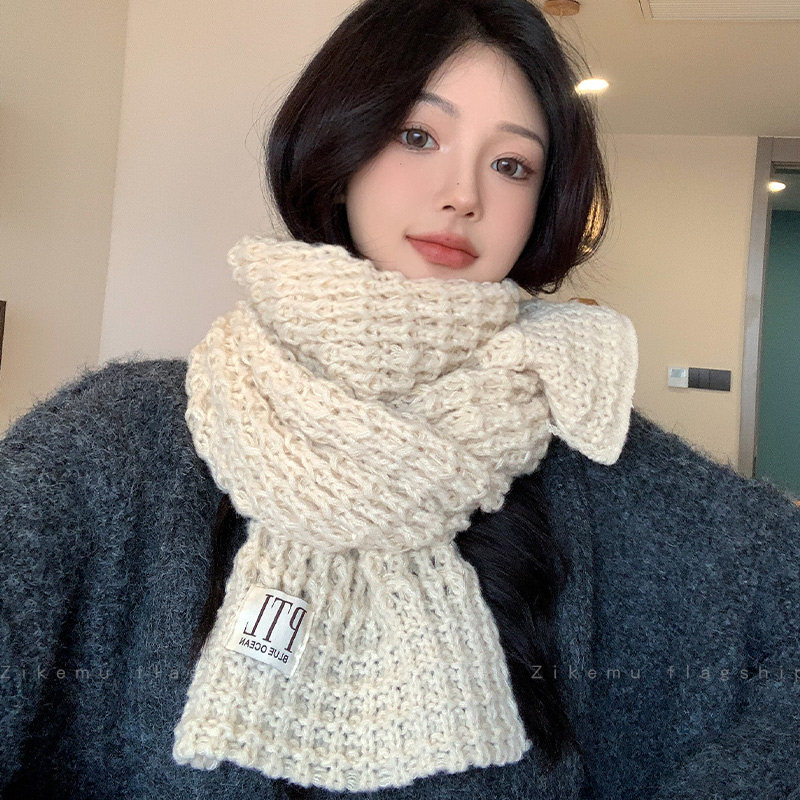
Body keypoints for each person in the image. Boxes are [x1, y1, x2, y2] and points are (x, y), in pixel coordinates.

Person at [1, 0, 799, 798]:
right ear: (338, 142)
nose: (462, 194)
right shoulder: (118, 441)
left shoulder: (585, 440)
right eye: (418, 136)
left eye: (511, 165)